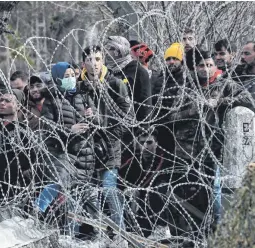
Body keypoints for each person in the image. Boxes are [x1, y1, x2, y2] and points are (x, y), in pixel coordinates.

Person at [170, 50, 254, 233]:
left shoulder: (225, 86)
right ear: (195, 67)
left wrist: (221, 102)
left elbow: (247, 101)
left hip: (211, 150)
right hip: (186, 150)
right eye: (201, 65)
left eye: (209, 65)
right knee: (188, 195)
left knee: (210, 193)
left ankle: (214, 230)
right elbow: (172, 116)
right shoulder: (187, 88)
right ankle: (191, 233)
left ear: (215, 66)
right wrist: (197, 107)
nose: (205, 69)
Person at [79, 44, 133, 247]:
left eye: (98, 59)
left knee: (109, 189)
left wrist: (105, 126)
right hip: (86, 148)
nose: (94, 64)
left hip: (110, 146)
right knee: (88, 192)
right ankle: (93, 232)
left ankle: (120, 234)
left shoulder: (115, 84)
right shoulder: (79, 86)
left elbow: (129, 117)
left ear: (104, 61)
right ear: (83, 63)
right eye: (90, 60)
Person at [38, 62, 100, 237]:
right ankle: (38, 216)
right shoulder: (52, 100)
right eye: (66, 77)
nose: (71, 79)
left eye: (73, 75)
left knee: (88, 198)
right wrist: (69, 130)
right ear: (58, 78)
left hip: (85, 154)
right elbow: (47, 127)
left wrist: (93, 117)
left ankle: (91, 234)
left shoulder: (84, 96)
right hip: (64, 154)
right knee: (56, 188)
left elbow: (99, 123)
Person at [151, 42, 189, 153]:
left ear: (181, 60)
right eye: (168, 59)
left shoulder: (186, 80)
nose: (171, 61)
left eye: (175, 58)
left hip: (179, 131)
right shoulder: (159, 79)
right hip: (160, 128)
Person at [104, 36, 152, 122]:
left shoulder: (138, 72)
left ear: (118, 51)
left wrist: (143, 130)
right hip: (113, 124)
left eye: (109, 49)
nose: (106, 53)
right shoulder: (109, 71)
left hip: (133, 126)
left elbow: (145, 104)